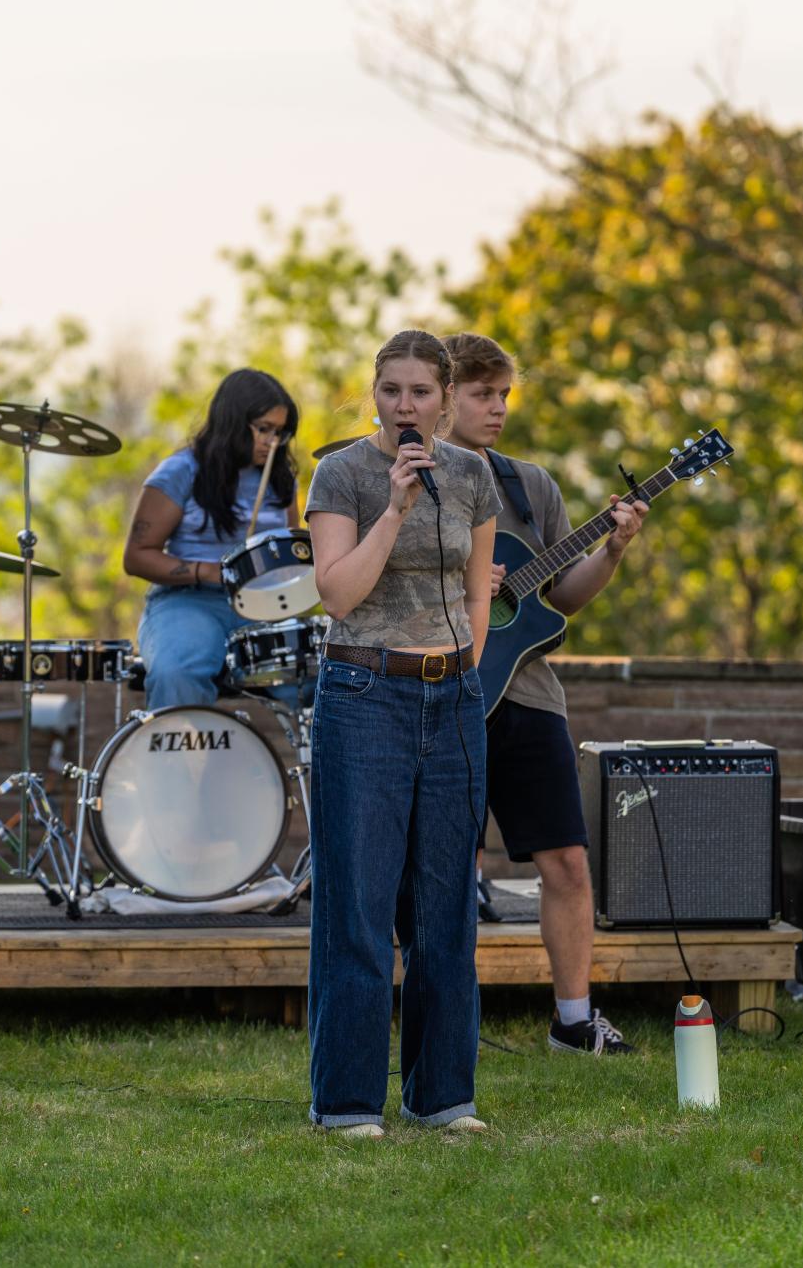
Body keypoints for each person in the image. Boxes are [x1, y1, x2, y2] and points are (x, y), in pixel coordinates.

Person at [304, 329, 500, 1137]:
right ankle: (347, 1102)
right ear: (375, 394)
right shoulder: (343, 472)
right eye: (392, 390)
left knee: (447, 905)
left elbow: (479, 591)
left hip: (449, 697)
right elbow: (338, 593)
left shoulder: (473, 474)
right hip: (364, 693)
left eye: (422, 391)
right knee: (358, 902)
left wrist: (463, 666)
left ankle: (442, 1095)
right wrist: (395, 508)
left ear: (445, 397)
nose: (406, 405)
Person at [441, 332, 649, 1056]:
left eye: (504, 395)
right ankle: (444, 1017)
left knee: (566, 861)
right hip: (448, 696)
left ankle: (573, 1018)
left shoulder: (532, 487)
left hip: (528, 696)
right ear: (443, 396)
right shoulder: (410, 478)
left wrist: (613, 550)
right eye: (482, 395)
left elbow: (562, 596)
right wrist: (463, 584)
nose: (498, 409)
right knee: (450, 866)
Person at [123, 368, 300, 710]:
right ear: (232, 421)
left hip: (265, 605)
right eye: (263, 429)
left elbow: (289, 551)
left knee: (324, 673)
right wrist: (208, 572)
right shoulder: (181, 471)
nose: (272, 441)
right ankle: (179, 761)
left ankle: (311, 762)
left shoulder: (281, 479)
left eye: (280, 432)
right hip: (189, 600)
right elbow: (136, 556)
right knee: (177, 672)